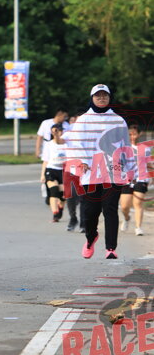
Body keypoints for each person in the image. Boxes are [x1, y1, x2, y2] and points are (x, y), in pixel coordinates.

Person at [65, 84, 131, 259]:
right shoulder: (83, 120)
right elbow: (75, 143)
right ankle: (90, 237)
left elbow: (126, 146)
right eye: (98, 95)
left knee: (110, 209)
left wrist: (130, 169)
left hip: (113, 171)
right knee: (90, 211)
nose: (101, 98)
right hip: (90, 173)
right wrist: (81, 161)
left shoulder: (118, 120)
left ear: (109, 98)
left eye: (104, 95)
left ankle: (111, 248)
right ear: (92, 98)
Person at [120, 124, 151, 236]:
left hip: (141, 178)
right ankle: (127, 218)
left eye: (134, 134)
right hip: (126, 179)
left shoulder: (145, 148)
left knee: (138, 203)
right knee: (124, 206)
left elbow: (148, 164)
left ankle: (138, 227)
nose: (132, 137)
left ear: (139, 134)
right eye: (130, 134)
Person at [40, 122, 67, 223]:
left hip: (63, 171)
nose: (57, 133)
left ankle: (60, 207)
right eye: (54, 132)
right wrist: (42, 174)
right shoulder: (49, 144)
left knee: (63, 194)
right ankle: (55, 214)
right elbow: (45, 160)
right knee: (54, 190)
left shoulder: (67, 143)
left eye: (59, 131)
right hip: (51, 170)